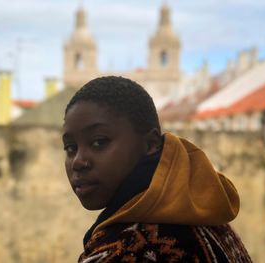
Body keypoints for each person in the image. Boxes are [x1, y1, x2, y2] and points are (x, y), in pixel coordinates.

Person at [62, 76, 252, 262]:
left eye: (99, 142)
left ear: (150, 144)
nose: (78, 162)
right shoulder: (215, 225)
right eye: (70, 147)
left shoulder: (126, 250)